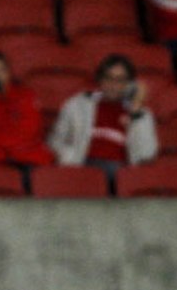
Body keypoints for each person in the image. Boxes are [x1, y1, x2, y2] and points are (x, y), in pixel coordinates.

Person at [48, 53, 158, 192]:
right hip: (82, 167)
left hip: (120, 173)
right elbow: (55, 142)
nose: (113, 85)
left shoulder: (141, 115)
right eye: (109, 78)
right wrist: (71, 159)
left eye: (120, 80)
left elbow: (146, 154)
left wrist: (136, 110)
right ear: (100, 79)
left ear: (129, 84)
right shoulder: (77, 104)